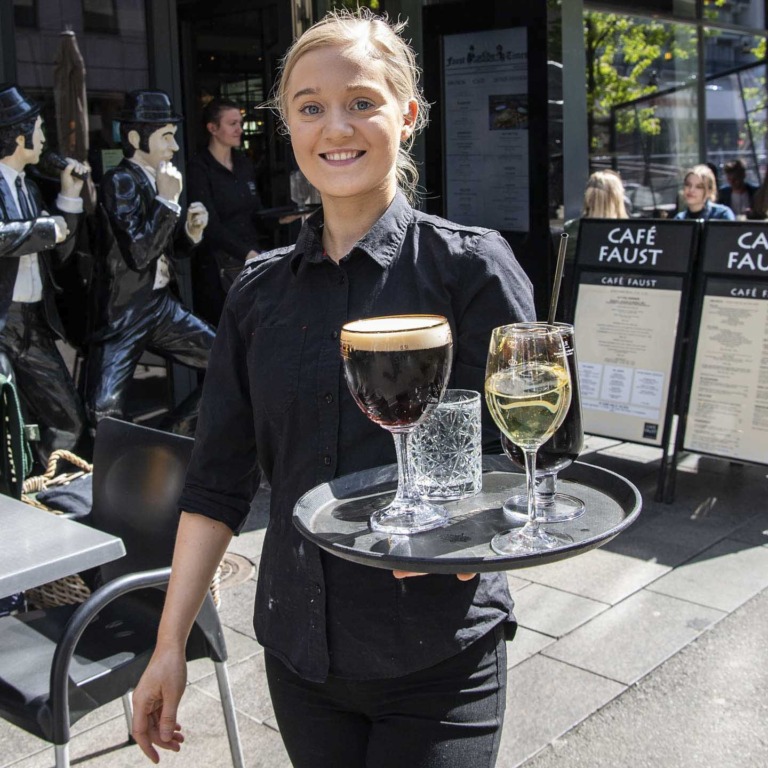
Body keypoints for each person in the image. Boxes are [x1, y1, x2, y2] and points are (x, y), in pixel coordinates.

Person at [131, 10, 535, 768]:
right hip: (299, 656)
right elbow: (216, 484)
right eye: (309, 107)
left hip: (437, 659)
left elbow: (531, 455)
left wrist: (472, 531)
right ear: (288, 127)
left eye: (361, 101)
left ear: (407, 116)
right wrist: (168, 644)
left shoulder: (469, 270)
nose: (335, 126)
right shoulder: (257, 294)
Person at [84, 90, 215, 432]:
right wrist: (169, 203)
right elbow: (140, 253)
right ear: (134, 138)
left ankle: (175, 432)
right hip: (125, 310)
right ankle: (122, 463)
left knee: (229, 362)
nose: (174, 147)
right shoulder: (119, 181)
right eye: (166, 137)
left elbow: (168, 249)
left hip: (159, 305)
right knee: (102, 408)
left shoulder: (158, 180)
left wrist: (190, 233)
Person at [0, 83, 89, 463]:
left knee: (67, 419)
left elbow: (60, 251)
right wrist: (43, 229)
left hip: (32, 321)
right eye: (39, 131)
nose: (43, 139)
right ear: (20, 136)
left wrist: (69, 197)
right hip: (3, 322)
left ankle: (43, 490)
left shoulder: (31, 190)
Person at [187, 98, 266, 324]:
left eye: (240, 123)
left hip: (250, 261)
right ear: (212, 128)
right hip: (217, 267)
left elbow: (255, 212)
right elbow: (209, 225)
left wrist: (282, 217)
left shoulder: (243, 163)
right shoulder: (199, 168)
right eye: (232, 123)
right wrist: (247, 254)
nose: (239, 129)